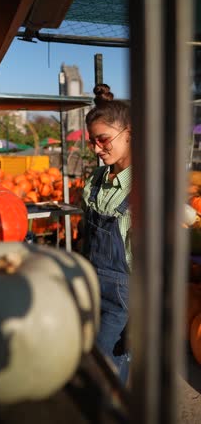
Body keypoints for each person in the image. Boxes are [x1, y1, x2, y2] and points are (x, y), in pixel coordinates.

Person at [81, 83, 132, 385]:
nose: (97, 149)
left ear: (130, 133)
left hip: (123, 298)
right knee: (93, 358)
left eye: (103, 140)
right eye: (92, 142)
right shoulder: (97, 178)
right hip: (89, 285)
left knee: (106, 369)